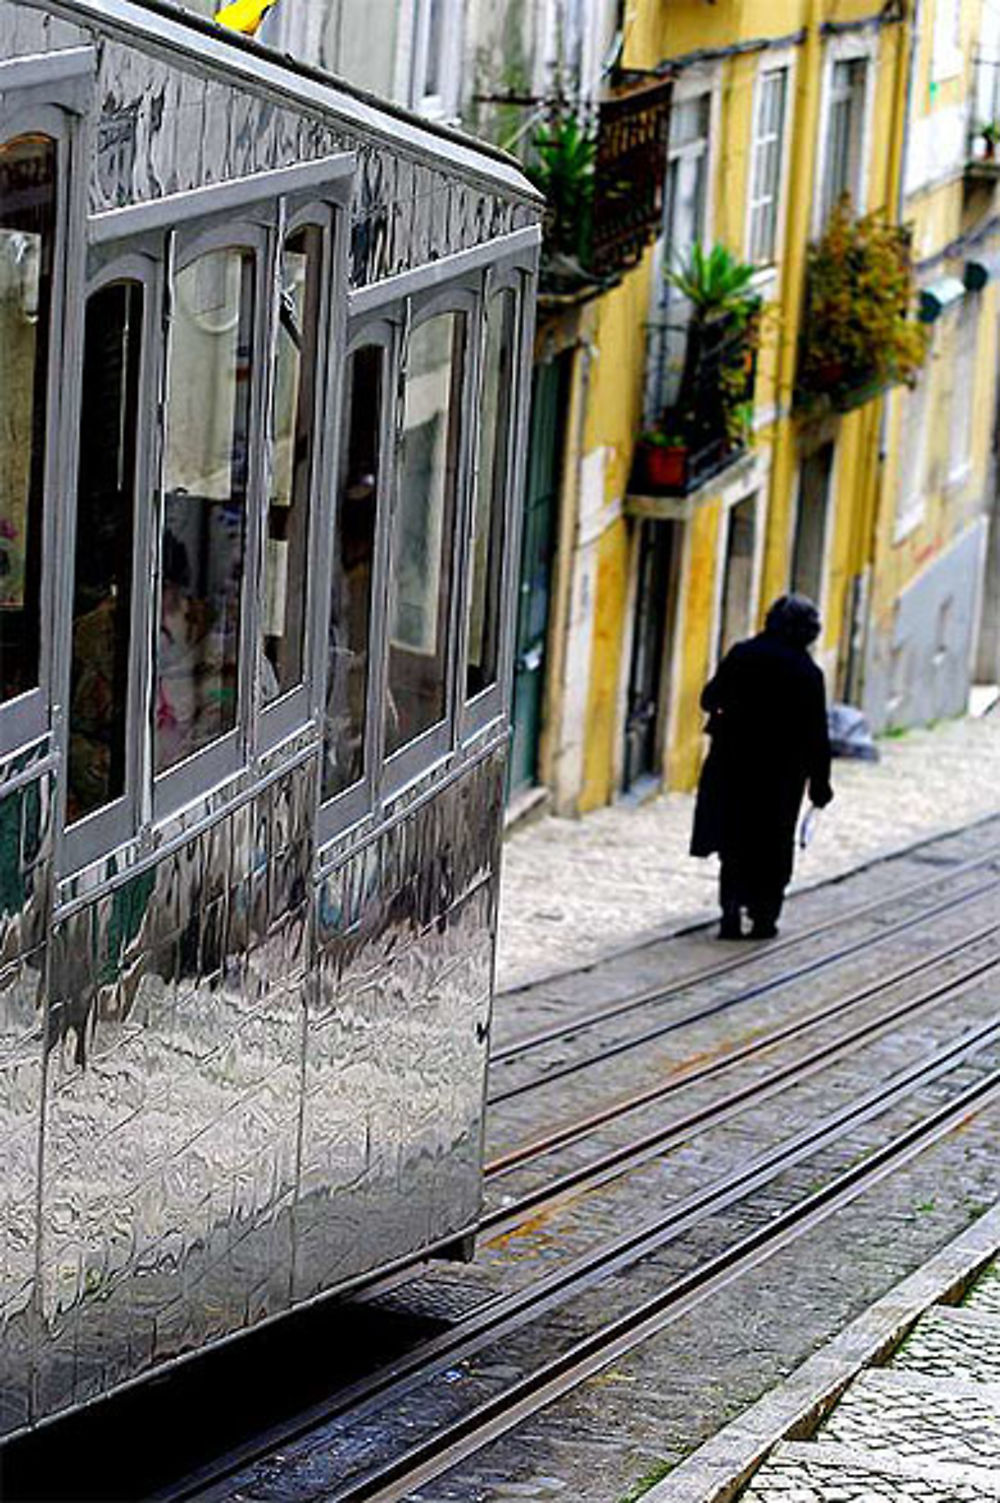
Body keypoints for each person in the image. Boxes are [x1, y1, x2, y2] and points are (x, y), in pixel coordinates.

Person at [691, 594, 833, 940]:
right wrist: (820, 783)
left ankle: (730, 912)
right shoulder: (808, 673)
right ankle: (764, 917)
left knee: (734, 838)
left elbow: (709, 698)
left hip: (733, 764)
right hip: (782, 776)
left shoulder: (742, 655)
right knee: (773, 843)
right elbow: (817, 734)